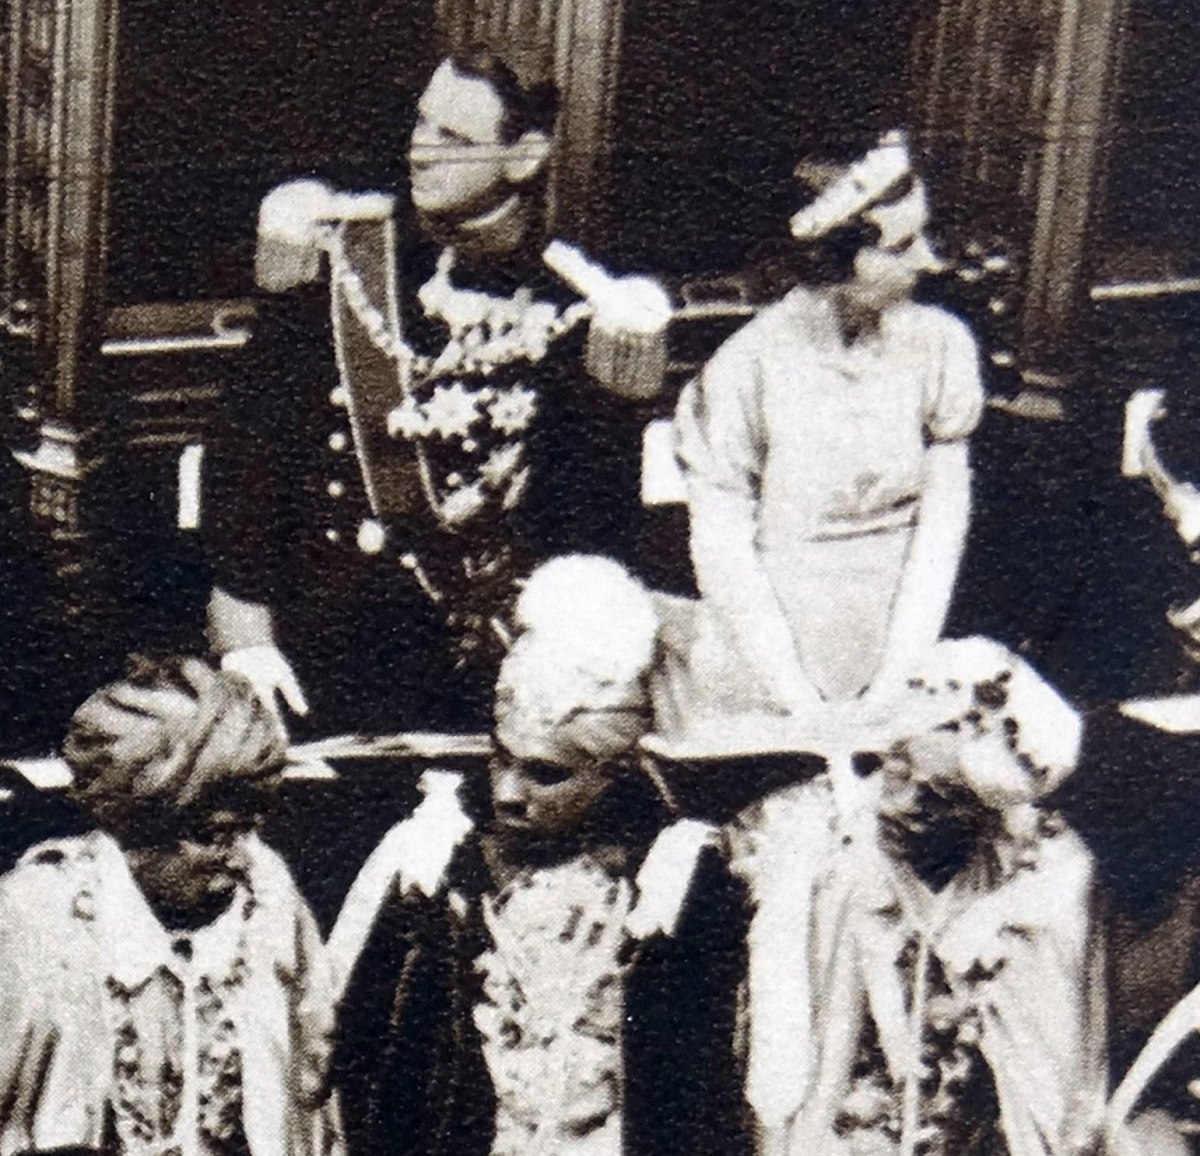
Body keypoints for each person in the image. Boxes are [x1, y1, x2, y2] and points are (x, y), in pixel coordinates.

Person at [655, 129, 985, 1154]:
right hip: (767, 669)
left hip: (894, 648)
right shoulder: (745, 368)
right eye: (901, 242)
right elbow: (723, 546)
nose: (926, 261)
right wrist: (802, 697)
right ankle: (781, 1121)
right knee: (794, 885)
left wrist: (892, 675)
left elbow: (943, 522)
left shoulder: (941, 348)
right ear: (838, 249)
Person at [202, 49, 650, 736]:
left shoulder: (580, 309)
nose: (421, 151)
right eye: (421, 124)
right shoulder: (341, 266)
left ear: (525, 156)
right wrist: (246, 642)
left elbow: (590, 526)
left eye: (455, 140)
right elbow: (244, 466)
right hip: (312, 655)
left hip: (482, 676)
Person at [329, 554, 747, 1156]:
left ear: (617, 772)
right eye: (501, 757)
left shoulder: (673, 880)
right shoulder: (437, 861)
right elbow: (366, 1050)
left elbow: (702, 1085)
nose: (507, 792)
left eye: (545, 774)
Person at [0, 653, 342, 1156]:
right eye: (213, 835)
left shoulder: (268, 901)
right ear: (133, 827)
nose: (242, 856)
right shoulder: (36, 917)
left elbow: (310, 1108)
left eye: (252, 827)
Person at [797, 636, 1106, 1156]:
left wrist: (994, 912)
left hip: (1002, 1026)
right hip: (905, 1043)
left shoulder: (1044, 846)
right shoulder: (879, 824)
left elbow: (1062, 876)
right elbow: (871, 916)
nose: (899, 762)